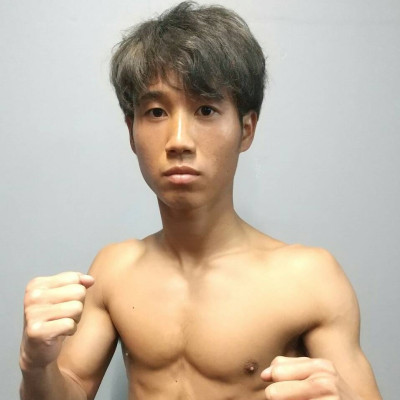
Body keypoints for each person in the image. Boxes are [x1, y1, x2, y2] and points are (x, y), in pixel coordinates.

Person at [19, 2, 382, 399]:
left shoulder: (309, 278)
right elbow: (68, 391)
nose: (178, 141)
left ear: (246, 130)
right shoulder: (114, 270)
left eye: (206, 110)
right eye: (156, 112)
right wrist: (36, 365)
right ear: (131, 131)